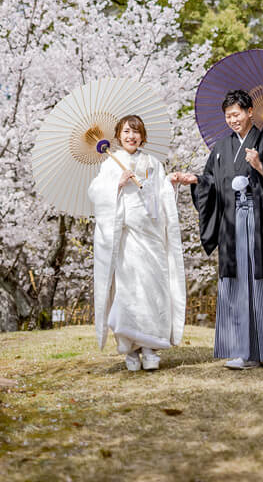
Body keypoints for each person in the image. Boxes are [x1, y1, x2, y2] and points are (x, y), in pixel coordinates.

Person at [172, 90, 263, 369]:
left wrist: (261, 166)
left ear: (250, 111)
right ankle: (246, 351)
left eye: (237, 114)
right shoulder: (220, 149)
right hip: (233, 223)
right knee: (240, 282)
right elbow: (211, 181)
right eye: (228, 116)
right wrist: (194, 179)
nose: (233, 120)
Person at [87, 114, 186, 371]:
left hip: (151, 234)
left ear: (143, 135)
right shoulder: (110, 164)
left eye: (136, 131)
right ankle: (130, 349)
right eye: (126, 131)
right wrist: (116, 184)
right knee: (129, 290)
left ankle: (151, 347)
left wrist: (169, 184)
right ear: (118, 135)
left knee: (153, 289)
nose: (131, 136)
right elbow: (96, 192)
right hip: (127, 236)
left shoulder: (152, 162)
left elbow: (159, 193)